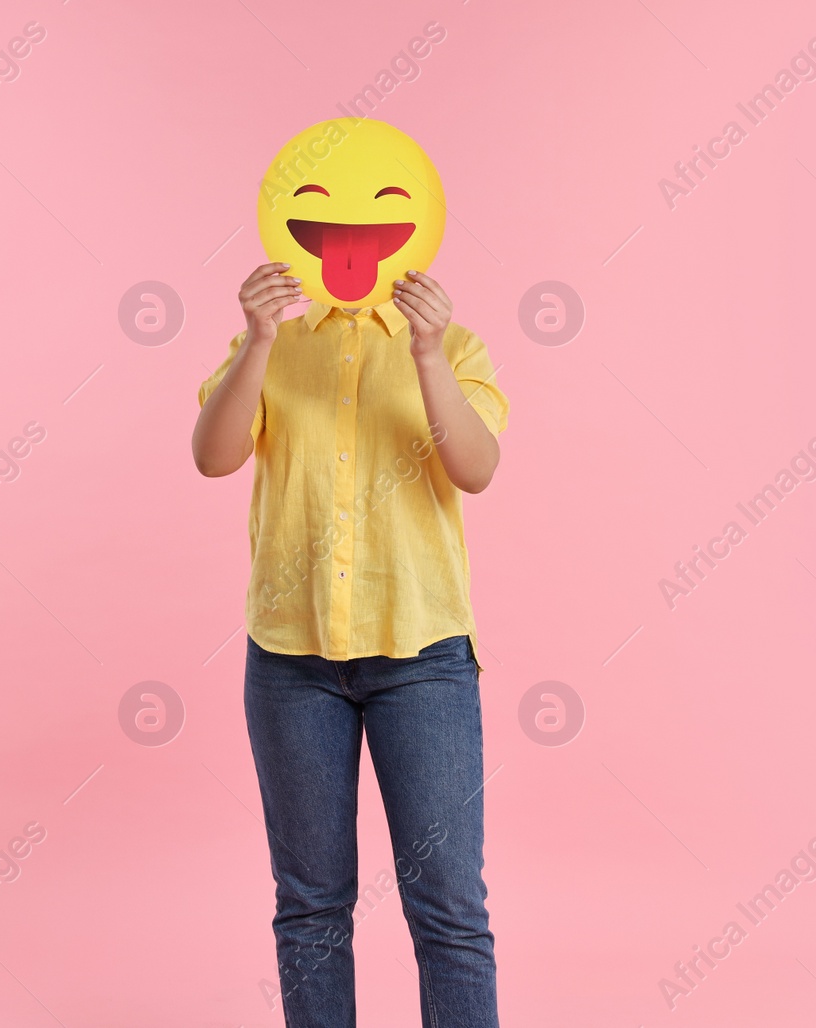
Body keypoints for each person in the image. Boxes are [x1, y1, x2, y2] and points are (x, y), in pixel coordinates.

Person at [193, 262, 508, 1027]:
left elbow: (477, 469)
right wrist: (259, 339)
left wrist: (427, 353)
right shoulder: (268, 345)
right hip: (291, 661)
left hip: (422, 657)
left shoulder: (456, 344)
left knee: (449, 910)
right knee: (310, 906)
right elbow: (212, 455)